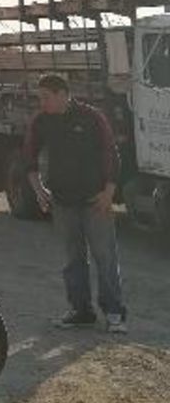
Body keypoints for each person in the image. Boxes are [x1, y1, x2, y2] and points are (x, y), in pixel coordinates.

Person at [24, 72, 127, 332]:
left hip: (96, 200)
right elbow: (29, 157)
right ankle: (81, 311)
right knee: (73, 258)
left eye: (46, 97)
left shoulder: (91, 117)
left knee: (105, 257)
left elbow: (110, 154)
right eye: (40, 98)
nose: (42, 103)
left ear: (62, 94)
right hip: (63, 202)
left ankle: (114, 314)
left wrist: (108, 193)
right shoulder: (42, 121)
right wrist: (39, 190)